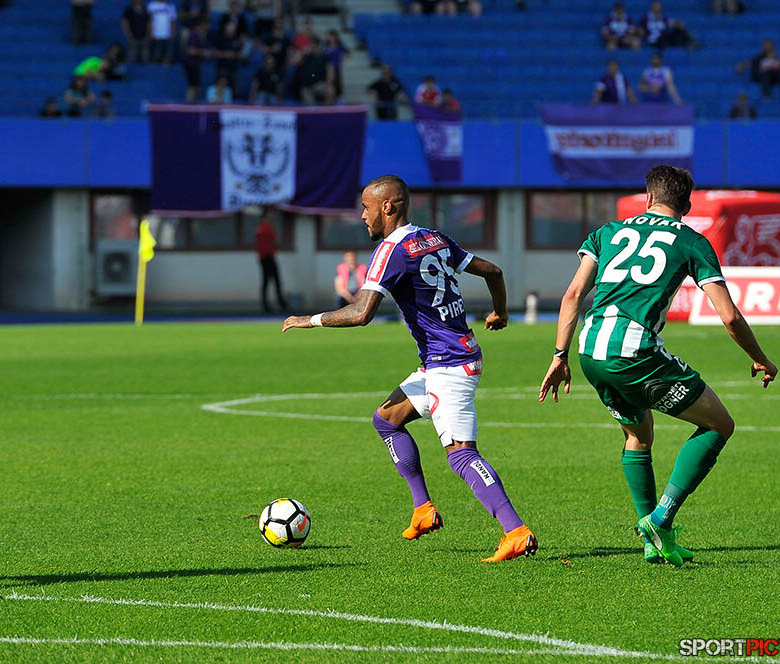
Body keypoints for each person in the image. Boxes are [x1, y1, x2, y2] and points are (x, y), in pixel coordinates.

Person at [282, 175, 538, 563]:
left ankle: (515, 531)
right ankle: (423, 509)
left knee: (462, 456)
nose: (362, 216)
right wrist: (500, 311)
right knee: (386, 420)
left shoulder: (390, 250)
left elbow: (361, 312)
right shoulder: (435, 238)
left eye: (366, 208)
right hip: (448, 357)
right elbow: (493, 272)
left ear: (389, 206)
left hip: (449, 366)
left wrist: (309, 320)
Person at [538, 165, 776, 567]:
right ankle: (661, 519)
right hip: (634, 352)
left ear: (648, 198)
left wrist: (559, 355)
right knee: (720, 424)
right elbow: (730, 316)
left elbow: (574, 293)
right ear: (686, 204)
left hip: (589, 348)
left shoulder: (608, 232)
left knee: (639, 435)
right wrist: (760, 358)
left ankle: (653, 543)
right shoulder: (691, 241)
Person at [256, 216, 287, 312]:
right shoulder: (267, 228)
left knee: (266, 281)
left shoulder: (259, 228)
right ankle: (281, 304)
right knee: (275, 281)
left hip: (263, 257)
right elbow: (274, 240)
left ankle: (266, 305)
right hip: (268, 257)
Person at [183, 19, 210, 101]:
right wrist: (203, 52)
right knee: (192, 86)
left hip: (195, 64)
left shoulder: (200, 35)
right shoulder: (194, 35)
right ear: (200, 26)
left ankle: (193, 104)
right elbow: (190, 51)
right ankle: (189, 106)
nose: (207, 27)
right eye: (205, 25)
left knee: (197, 86)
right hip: (191, 64)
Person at [147, 0, 177, 65]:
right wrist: (151, 33)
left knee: (168, 56)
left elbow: (173, 21)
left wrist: (173, 32)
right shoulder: (152, 5)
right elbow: (149, 21)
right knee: (156, 56)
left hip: (168, 34)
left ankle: (167, 72)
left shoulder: (170, 6)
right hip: (156, 34)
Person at [323, 30, 349, 101]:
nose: (331, 38)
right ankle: (328, 97)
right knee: (329, 84)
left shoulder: (340, 46)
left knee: (337, 83)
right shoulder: (325, 46)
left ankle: (337, 96)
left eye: (332, 36)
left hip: (336, 67)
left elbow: (347, 52)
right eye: (329, 36)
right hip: (327, 68)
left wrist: (344, 57)